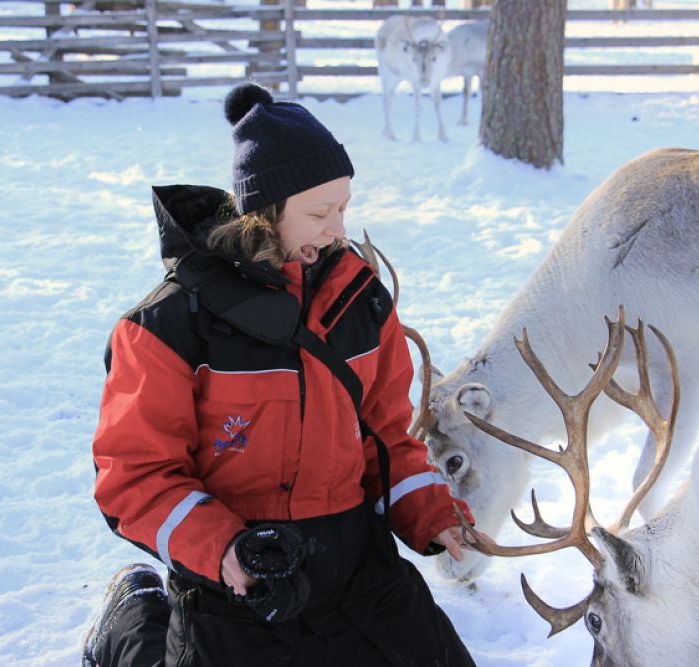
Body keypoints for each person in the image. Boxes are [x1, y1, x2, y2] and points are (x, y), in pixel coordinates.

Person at [82, 82, 487, 667]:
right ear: (264, 212)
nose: (338, 230)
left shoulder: (362, 304)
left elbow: (387, 439)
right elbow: (135, 476)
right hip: (239, 578)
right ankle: (135, 616)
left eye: (344, 207)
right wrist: (225, 550)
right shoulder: (169, 326)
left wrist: (434, 514)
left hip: (357, 570)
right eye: (319, 212)